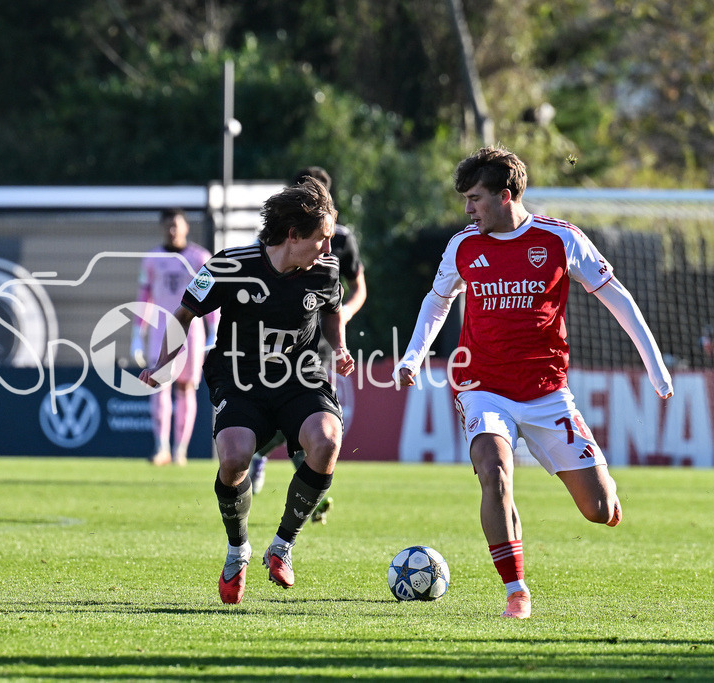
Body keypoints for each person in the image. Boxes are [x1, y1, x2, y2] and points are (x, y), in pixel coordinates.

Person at [393, 146, 673, 619]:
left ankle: (603, 496)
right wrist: (412, 357)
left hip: (547, 394)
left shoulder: (561, 239)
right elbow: (436, 302)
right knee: (493, 468)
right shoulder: (464, 245)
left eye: (475, 198)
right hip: (481, 385)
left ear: (506, 196)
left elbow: (617, 297)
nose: (467, 209)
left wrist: (655, 365)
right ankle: (516, 590)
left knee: (598, 509)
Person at [139, 179, 356, 604]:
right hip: (239, 378)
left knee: (327, 442)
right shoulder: (227, 266)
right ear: (293, 235)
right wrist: (161, 363)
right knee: (235, 457)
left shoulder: (325, 270)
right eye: (322, 239)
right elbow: (183, 314)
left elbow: (332, 311)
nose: (329, 251)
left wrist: (342, 347)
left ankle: (283, 546)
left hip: (300, 375)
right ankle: (238, 549)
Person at [248, 167, 367, 526]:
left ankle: (267, 460)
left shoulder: (342, 239)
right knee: (291, 407)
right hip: (283, 337)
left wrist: (342, 313)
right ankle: (310, 495)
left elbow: (359, 285)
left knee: (306, 409)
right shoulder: (281, 234)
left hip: (322, 337)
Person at [132, 208, 217, 465]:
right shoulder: (152, 259)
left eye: (176, 225)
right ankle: (161, 448)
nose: (172, 231)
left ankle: (180, 450)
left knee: (185, 388)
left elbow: (211, 296)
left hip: (191, 331)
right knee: (158, 385)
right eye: (168, 226)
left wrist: (214, 328)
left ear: (186, 227)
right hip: (160, 330)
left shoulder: (200, 257)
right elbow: (144, 296)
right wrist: (138, 332)